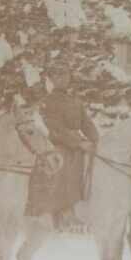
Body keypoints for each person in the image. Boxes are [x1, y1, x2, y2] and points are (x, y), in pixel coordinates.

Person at [37, 63, 98, 225]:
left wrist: (96, 140)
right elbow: (56, 128)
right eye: (57, 76)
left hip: (78, 143)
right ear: (51, 79)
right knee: (63, 165)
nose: (62, 79)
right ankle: (60, 210)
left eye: (64, 75)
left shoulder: (75, 100)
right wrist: (79, 143)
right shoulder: (48, 101)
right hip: (58, 144)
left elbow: (87, 124)